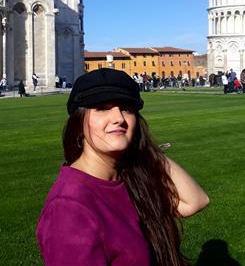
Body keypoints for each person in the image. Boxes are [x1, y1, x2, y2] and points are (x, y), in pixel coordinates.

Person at [36, 68, 209, 266]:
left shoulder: (128, 177)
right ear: (79, 123)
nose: (119, 117)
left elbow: (195, 201)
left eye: (126, 108)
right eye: (102, 108)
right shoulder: (68, 207)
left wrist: (145, 150)